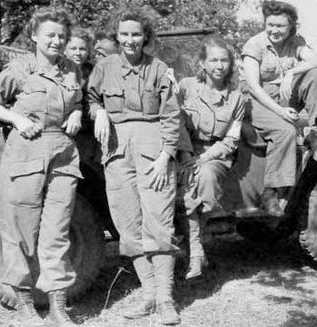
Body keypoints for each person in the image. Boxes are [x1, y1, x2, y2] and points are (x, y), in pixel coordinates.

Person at [0, 6, 83, 327]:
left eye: (62, 36)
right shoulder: (19, 68)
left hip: (64, 156)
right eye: (50, 35)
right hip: (26, 152)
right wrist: (17, 118)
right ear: (35, 36)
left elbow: (76, 98)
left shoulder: (71, 70)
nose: (57, 41)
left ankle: (58, 307)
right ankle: (25, 305)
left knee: (57, 230)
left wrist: (78, 112)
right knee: (20, 229)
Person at [87, 9, 181, 325]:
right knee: (128, 225)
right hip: (115, 149)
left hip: (153, 147)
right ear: (117, 37)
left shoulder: (159, 69)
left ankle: (166, 299)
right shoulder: (104, 67)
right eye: (124, 35)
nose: (130, 40)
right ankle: (149, 294)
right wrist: (98, 110)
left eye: (136, 34)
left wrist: (166, 155)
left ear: (146, 37)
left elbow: (171, 116)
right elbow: (91, 98)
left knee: (159, 222)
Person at [242, 0, 317, 216]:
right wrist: (281, 112)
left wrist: (291, 73)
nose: (274, 30)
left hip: (287, 97)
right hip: (258, 102)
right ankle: (271, 193)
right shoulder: (254, 44)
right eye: (270, 24)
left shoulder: (296, 42)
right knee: (285, 131)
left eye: (281, 26)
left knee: (315, 75)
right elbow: (253, 87)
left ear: (291, 26)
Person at [177, 37, 245, 279]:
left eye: (224, 60)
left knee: (204, 179)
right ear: (203, 63)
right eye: (213, 60)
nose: (219, 65)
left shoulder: (237, 97)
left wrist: (205, 157)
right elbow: (174, 121)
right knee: (184, 186)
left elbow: (232, 139)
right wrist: (186, 152)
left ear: (230, 63)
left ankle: (195, 245)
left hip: (216, 154)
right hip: (183, 148)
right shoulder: (186, 87)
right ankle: (196, 250)